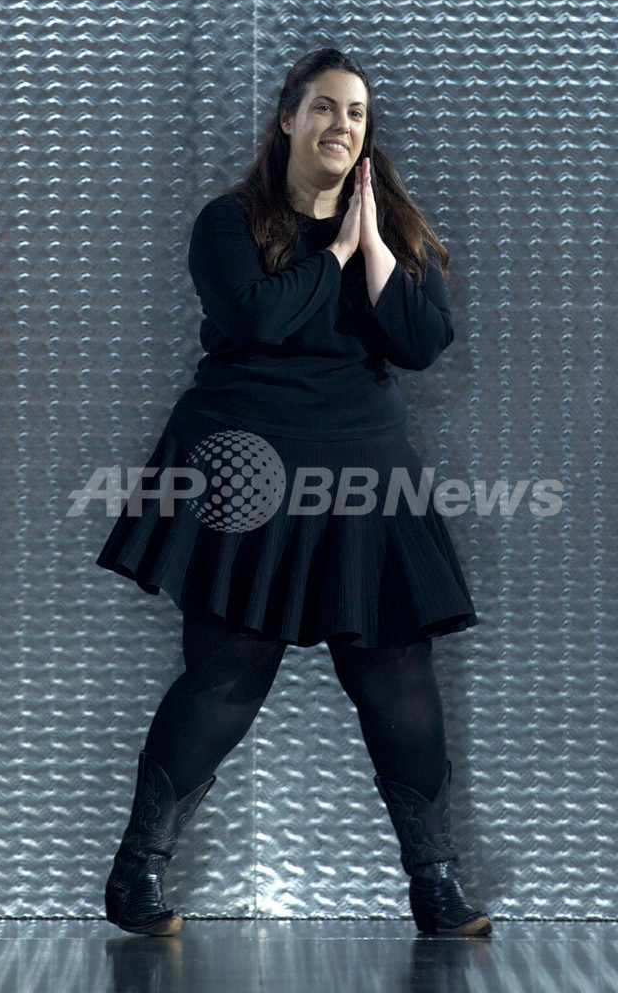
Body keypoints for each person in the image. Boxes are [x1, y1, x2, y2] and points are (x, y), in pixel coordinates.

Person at [97, 47, 493, 939]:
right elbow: (257, 318)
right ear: (287, 120)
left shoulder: (393, 232)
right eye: (322, 107)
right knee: (228, 672)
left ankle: (434, 886)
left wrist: (372, 245)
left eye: (354, 113)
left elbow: (421, 344)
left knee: (396, 671)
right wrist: (336, 251)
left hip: (364, 472)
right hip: (245, 465)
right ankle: (135, 876)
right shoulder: (230, 221)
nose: (339, 125)